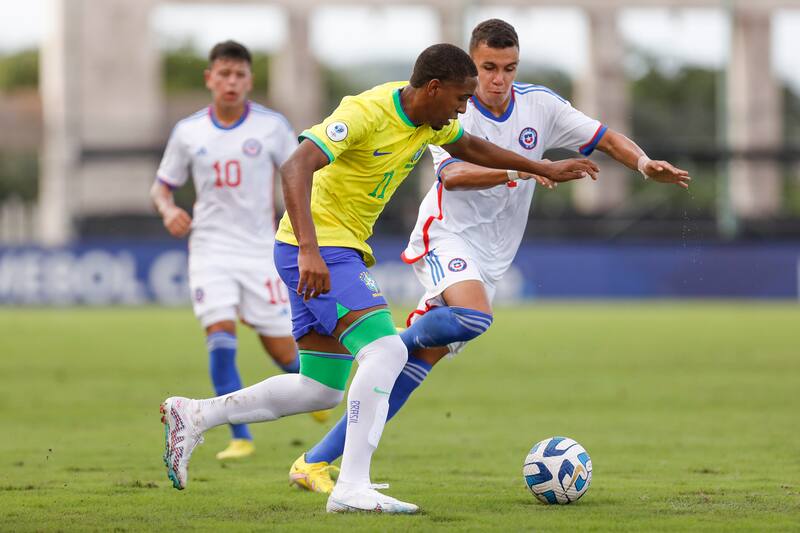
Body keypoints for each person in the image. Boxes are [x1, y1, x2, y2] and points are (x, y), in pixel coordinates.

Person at [160, 42, 599, 514]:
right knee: (387, 349)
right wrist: (309, 249)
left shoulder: (433, 119)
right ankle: (351, 486)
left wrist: (540, 165)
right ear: (434, 88)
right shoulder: (366, 111)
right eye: (459, 97)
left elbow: (471, 146)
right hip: (320, 246)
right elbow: (295, 165)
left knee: (320, 388)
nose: (465, 107)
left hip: (329, 248)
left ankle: (196, 414)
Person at [288, 19, 691, 494]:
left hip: (495, 256)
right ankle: (391, 338)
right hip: (447, 235)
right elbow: (454, 176)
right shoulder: (448, 111)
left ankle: (313, 462)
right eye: (488, 68)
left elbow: (602, 136)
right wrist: (521, 173)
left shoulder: (540, 104)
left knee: (413, 370)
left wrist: (643, 163)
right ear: (471, 65)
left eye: (509, 68)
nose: (498, 79)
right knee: (472, 320)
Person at [151, 40, 328, 462]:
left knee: (282, 350)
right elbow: (162, 186)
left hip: (258, 250)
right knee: (220, 335)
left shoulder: (270, 126)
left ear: (250, 80)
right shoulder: (188, 131)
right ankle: (240, 435)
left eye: (240, 75)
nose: (231, 82)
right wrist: (168, 209)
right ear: (210, 78)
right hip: (209, 250)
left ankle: (315, 390)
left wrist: (306, 236)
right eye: (224, 74)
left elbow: (297, 180)